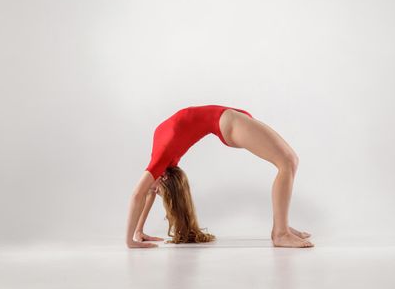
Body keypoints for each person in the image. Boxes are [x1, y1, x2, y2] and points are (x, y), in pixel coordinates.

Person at [126, 104, 314, 248]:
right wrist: (135, 233)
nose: (152, 191)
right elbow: (144, 194)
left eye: (156, 191)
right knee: (288, 162)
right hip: (228, 122)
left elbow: (139, 194)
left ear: (164, 178)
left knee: (288, 162)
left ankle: (283, 228)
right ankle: (280, 233)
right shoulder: (163, 160)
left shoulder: (160, 159)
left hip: (228, 120)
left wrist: (134, 236)